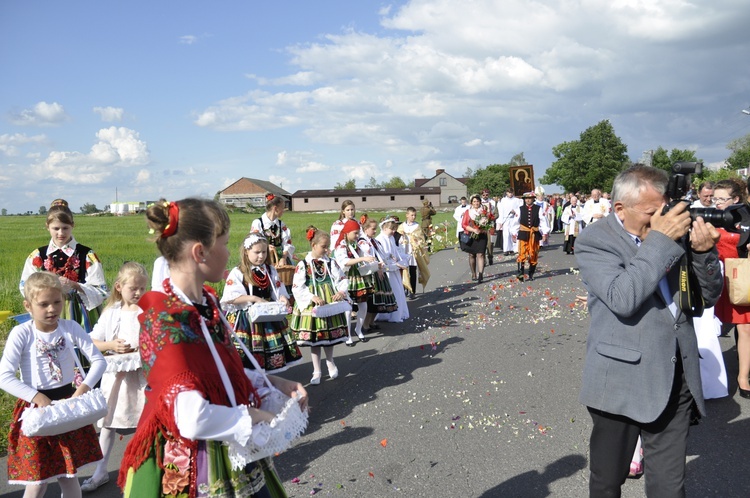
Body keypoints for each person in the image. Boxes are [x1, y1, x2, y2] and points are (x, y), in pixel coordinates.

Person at [119, 198, 308, 496]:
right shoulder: (167, 319)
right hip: (197, 457)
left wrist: (272, 381)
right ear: (200, 252)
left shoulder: (206, 304)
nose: (230, 252)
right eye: (225, 243)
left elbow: (219, 370)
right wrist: (255, 416)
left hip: (230, 443)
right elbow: (192, 418)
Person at [576, 165, 723, 496]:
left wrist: (702, 254)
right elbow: (622, 298)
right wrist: (660, 240)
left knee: (669, 487)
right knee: (607, 481)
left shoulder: (670, 233)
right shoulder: (595, 241)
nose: (662, 219)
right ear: (619, 209)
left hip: (675, 375)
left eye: (664, 209)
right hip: (619, 381)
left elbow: (707, 296)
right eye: (650, 213)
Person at [0, 271, 106, 497]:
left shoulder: (70, 327)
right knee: (38, 480)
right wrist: (37, 398)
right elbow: (4, 376)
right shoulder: (22, 333)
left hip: (68, 405)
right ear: (28, 306)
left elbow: (98, 361)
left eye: (57, 302)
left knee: (68, 475)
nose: (51, 309)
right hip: (36, 409)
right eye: (43, 304)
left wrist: (81, 391)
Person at [83, 261, 150, 492]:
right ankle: (101, 470)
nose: (139, 292)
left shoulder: (147, 311)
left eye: (142, 287)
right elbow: (92, 341)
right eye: (134, 288)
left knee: (146, 421)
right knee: (108, 424)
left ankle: (145, 469)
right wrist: (111, 344)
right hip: (116, 378)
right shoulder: (112, 313)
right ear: (120, 287)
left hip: (142, 378)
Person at [20, 199, 109, 332]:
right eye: (56, 228)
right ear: (47, 226)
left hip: (80, 312)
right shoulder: (38, 256)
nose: (61, 233)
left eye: (65, 228)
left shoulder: (86, 255)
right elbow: (24, 286)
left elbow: (101, 290)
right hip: (48, 312)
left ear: (72, 225)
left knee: (80, 348)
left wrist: (75, 285)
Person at [221, 232, 304, 373]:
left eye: (264, 252)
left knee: (269, 348)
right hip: (247, 319)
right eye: (257, 252)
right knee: (249, 351)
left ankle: (267, 379)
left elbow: (277, 289)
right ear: (247, 252)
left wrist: (282, 298)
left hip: (267, 315)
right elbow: (230, 298)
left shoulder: (269, 270)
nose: (261, 256)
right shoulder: (238, 272)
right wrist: (253, 298)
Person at [291, 226, 350, 383]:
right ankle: (316, 370)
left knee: (329, 336)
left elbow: (342, 279)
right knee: (316, 338)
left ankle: (330, 362)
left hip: (330, 301)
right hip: (313, 303)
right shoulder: (303, 264)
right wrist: (312, 297)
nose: (326, 250)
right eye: (323, 247)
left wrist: (341, 292)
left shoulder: (331, 263)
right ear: (313, 245)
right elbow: (297, 286)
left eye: (327, 247)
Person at [709, 179, 750, 399]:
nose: (716, 203)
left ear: (735, 199)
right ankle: (708, 375)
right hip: (714, 279)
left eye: (721, 199)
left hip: (740, 279)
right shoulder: (708, 218)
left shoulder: (746, 219)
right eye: (714, 198)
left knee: (745, 329)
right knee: (709, 330)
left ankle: (742, 377)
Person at [333, 219, 376, 342]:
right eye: (355, 233)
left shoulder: (357, 243)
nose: (357, 236)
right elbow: (344, 262)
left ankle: (358, 328)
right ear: (346, 232)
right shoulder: (341, 246)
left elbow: (365, 253)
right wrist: (362, 258)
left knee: (363, 304)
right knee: (348, 306)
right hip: (347, 277)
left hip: (359, 277)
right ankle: (348, 334)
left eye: (358, 233)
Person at [358, 215, 398, 331]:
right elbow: (368, 256)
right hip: (371, 272)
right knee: (372, 301)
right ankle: (365, 324)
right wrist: (378, 266)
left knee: (380, 300)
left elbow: (381, 254)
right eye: (373, 229)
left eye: (375, 229)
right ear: (366, 229)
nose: (375, 231)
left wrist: (387, 259)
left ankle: (371, 322)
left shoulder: (374, 241)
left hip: (379, 271)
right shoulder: (363, 242)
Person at [375, 216, 410, 323]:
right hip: (388, 272)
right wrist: (396, 264)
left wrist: (401, 259)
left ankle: (399, 313)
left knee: (399, 291)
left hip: (394, 270)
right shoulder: (380, 239)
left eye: (395, 228)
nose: (394, 231)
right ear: (384, 228)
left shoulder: (390, 238)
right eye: (392, 229)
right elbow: (383, 258)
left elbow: (394, 253)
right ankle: (390, 316)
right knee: (393, 292)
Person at [251, 193, 295, 266]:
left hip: (280, 260)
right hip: (263, 259)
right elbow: (254, 242)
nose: (284, 210)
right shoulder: (258, 223)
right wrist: (266, 246)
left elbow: (287, 243)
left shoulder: (281, 225)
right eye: (282, 208)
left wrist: (283, 258)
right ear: (275, 208)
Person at [515, 192, 550, 281]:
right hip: (523, 232)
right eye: (526, 198)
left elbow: (543, 221)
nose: (528, 200)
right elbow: (515, 222)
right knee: (522, 253)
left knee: (533, 253)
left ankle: (531, 274)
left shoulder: (538, 209)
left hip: (534, 233)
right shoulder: (520, 209)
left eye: (530, 198)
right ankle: (521, 273)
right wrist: (514, 233)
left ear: (533, 199)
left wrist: (545, 233)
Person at [398, 207, 430, 297]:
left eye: (415, 215)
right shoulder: (401, 226)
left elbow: (421, 239)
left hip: (413, 251)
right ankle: (406, 288)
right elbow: (397, 238)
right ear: (407, 215)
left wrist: (416, 240)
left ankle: (413, 291)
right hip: (404, 250)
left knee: (412, 270)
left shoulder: (417, 226)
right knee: (404, 270)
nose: (413, 217)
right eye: (411, 215)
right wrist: (402, 236)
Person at [460, 194, 491, 283]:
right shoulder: (468, 212)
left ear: (480, 202)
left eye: (477, 201)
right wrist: (473, 229)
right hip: (471, 235)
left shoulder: (484, 212)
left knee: (480, 254)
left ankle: (481, 274)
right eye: (474, 201)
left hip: (482, 235)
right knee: (472, 255)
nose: (476, 203)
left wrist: (484, 228)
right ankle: (474, 273)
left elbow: (489, 223)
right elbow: (464, 224)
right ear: (471, 203)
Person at [497, 189, 521, 255]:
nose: (510, 194)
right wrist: (501, 221)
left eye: (511, 192)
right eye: (509, 192)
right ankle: (507, 249)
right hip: (506, 219)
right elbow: (501, 211)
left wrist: (515, 211)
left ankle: (515, 249)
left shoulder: (517, 200)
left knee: (514, 234)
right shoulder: (503, 200)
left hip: (514, 218)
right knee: (506, 234)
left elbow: (520, 208)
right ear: (506, 193)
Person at [480, 189, 498, 265]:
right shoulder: (478, 202)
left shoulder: (493, 202)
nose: (485, 196)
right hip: (481, 225)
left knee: (490, 243)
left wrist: (491, 218)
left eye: (486, 195)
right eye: (483, 195)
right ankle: (483, 259)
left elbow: (497, 214)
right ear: (481, 195)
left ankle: (490, 257)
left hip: (490, 224)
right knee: (482, 242)